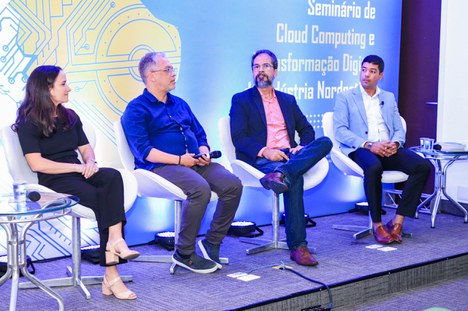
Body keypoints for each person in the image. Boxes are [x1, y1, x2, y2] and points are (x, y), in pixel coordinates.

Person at [13, 65, 140, 300]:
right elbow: (37, 164)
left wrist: (90, 161)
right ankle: (112, 274)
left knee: (113, 176)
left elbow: (85, 149)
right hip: (54, 181)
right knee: (105, 201)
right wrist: (78, 167)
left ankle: (115, 242)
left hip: (79, 172)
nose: (68, 88)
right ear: (46, 89)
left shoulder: (69, 116)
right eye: (63, 84)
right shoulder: (28, 122)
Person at [121, 52, 242, 274]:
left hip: (194, 162)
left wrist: (204, 152)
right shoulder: (136, 109)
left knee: (233, 185)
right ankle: (184, 252)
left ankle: (212, 242)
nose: (173, 74)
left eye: (172, 69)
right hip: (159, 168)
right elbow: (144, 151)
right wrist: (179, 160)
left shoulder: (180, 104)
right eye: (168, 70)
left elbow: (199, 134)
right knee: (199, 189)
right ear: (152, 76)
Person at [230, 49, 332, 266]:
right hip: (263, 157)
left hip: (289, 156)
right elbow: (239, 138)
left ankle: (282, 173)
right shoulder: (241, 100)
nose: (260, 71)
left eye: (266, 66)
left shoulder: (287, 100)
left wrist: (301, 146)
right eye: (256, 67)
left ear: (275, 71)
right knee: (296, 179)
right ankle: (298, 246)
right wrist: (266, 151)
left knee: (326, 142)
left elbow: (307, 130)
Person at [333, 54, 431, 244]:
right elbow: (340, 131)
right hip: (362, 147)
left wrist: (394, 144)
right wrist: (370, 145)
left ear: (380, 75)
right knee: (374, 167)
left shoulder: (388, 97)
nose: (366, 75)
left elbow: (398, 128)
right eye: (363, 70)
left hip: (387, 147)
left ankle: (397, 221)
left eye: (372, 71)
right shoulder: (346, 97)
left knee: (423, 166)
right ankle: (377, 224)